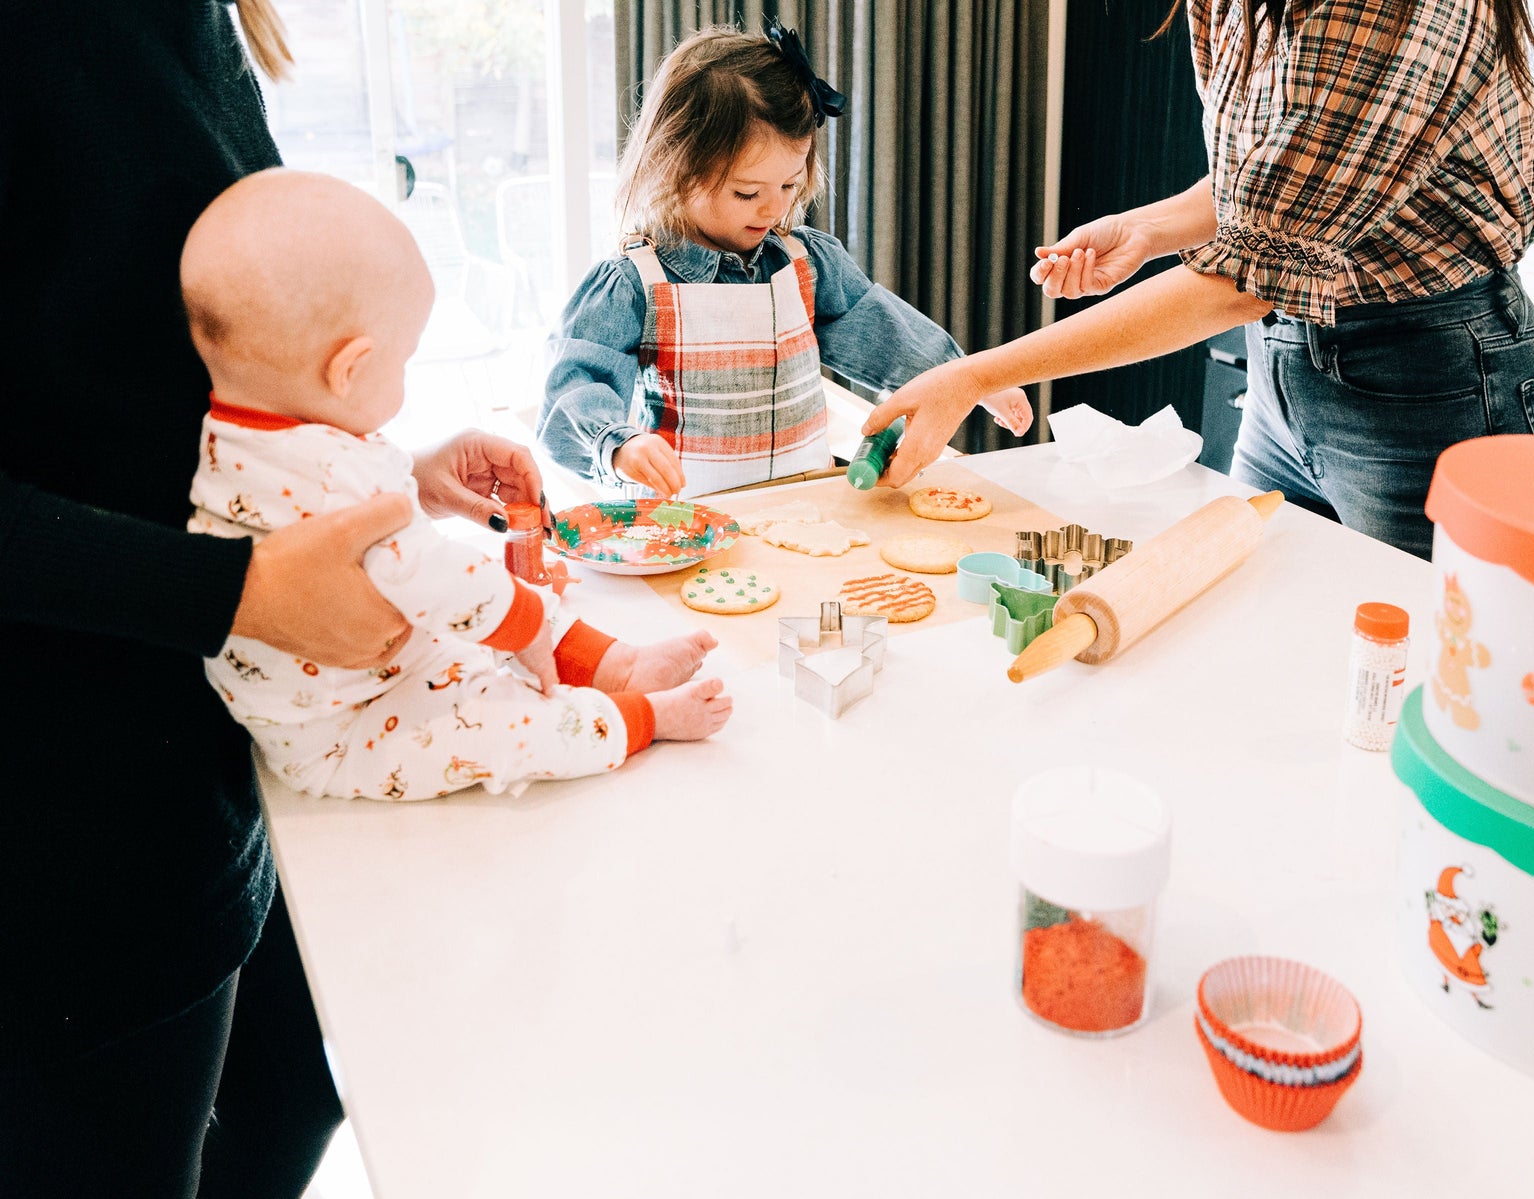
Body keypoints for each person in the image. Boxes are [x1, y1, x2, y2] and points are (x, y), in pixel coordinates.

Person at [1, 4, 543, 1194]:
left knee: (297, 1094)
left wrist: (367, 473)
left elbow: (140, 381)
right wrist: (232, 590)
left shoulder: (191, 20)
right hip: (65, 833)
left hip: (218, 750)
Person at [863, 0, 1534, 560]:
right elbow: (1274, 181)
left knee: (1425, 683)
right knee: (1270, 646)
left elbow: (1236, 283)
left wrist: (973, 375)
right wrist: (1147, 228)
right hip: (1283, 374)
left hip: (1434, 384)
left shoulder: (1392, 12)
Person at [185, 169, 732, 801]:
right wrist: (522, 616)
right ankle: (641, 719)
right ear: (350, 369)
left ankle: (618, 666)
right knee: (499, 719)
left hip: (372, 662)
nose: (405, 378)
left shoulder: (241, 438)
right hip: (343, 730)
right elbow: (427, 574)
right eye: (403, 360)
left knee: (485, 619)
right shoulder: (334, 471)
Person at [538, 22, 1034, 499]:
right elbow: (576, 382)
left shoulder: (806, 262)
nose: (775, 209)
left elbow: (888, 336)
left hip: (801, 506)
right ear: (676, 169)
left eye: (789, 185)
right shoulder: (632, 283)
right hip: (688, 524)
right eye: (747, 191)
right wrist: (619, 444)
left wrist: (971, 379)